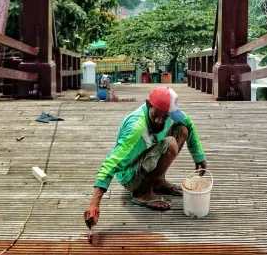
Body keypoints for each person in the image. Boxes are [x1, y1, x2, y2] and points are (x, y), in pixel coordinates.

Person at [84, 86, 208, 228]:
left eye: (165, 116)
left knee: (182, 130)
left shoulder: (171, 115)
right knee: (170, 144)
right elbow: (111, 162)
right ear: (148, 104)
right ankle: (142, 193)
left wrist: (198, 156)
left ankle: (158, 181)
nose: (160, 121)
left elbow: (188, 124)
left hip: (148, 159)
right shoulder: (136, 126)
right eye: (156, 115)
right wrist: (94, 204)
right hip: (130, 175)